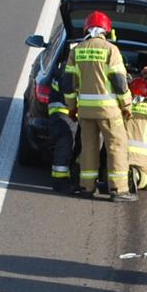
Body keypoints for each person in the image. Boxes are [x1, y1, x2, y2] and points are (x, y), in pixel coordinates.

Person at [59, 11, 136, 202]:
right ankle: (118, 190)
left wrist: (71, 106)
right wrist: (127, 104)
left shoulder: (77, 50)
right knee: (116, 146)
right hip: (109, 110)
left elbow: (68, 83)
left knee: (89, 147)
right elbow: (119, 82)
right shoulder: (111, 50)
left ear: (87, 29)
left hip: (85, 110)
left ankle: (87, 187)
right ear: (107, 31)